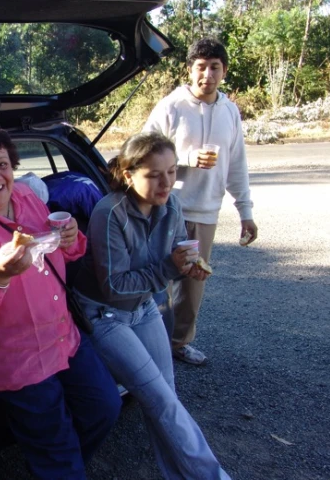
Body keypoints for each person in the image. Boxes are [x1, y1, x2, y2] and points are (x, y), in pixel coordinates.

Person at [0, 123, 121, 479]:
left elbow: (65, 253)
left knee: (105, 407)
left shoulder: (27, 198)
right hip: (17, 359)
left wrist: (71, 239)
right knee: (56, 448)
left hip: (63, 339)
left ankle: (60, 469)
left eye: (2, 164)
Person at [74, 132, 231, 479]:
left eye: (172, 172)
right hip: (104, 314)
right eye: (154, 175)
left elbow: (176, 252)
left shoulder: (171, 205)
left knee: (165, 399)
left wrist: (189, 266)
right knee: (160, 400)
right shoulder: (108, 213)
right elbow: (114, 286)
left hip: (143, 308)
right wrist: (170, 268)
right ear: (129, 175)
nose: (166, 183)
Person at [143, 37, 258, 365]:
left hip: (206, 212)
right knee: (155, 279)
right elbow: (142, 151)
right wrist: (187, 157)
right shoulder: (171, 106)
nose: (207, 74)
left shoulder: (230, 111)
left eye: (214, 67)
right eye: (201, 67)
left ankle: (178, 344)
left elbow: (237, 164)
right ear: (190, 70)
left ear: (223, 71)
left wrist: (245, 211)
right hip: (165, 209)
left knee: (193, 285)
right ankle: (151, 346)